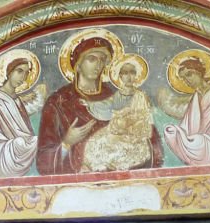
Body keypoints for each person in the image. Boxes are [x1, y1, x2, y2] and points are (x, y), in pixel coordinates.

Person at [37, 30, 162, 175]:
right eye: (91, 59)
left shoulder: (119, 96)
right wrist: (66, 143)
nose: (98, 64)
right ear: (78, 64)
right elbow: (43, 162)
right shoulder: (57, 102)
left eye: (102, 59)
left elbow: (152, 141)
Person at [81, 53, 157, 172]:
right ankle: (95, 168)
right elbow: (107, 103)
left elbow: (143, 116)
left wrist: (125, 117)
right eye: (125, 73)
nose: (129, 76)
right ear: (120, 76)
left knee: (116, 144)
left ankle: (113, 165)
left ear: (136, 75)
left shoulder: (140, 95)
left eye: (132, 72)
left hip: (134, 133)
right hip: (116, 128)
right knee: (95, 141)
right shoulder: (118, 94)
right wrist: (90, 104)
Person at [0, 50, 42, 177]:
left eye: (26, 73)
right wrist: (21, 143)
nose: (23, 77)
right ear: (8, 72)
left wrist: (26, 142)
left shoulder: (17, 101)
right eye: (19, 71)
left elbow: (25, 132)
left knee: (36, 142)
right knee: (25, 143)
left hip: (16, 149)